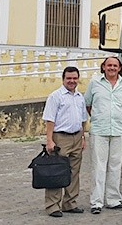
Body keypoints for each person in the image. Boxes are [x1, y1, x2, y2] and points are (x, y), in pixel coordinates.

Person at [84, 56, 122, 214]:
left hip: (119, 130)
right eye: (109, 65)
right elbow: (88, 104)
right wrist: (99, 117)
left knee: (115, 166)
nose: (112, 68)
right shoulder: (95, 83)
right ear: (104, 67)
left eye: (115, 65)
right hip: (99, 130)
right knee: (98, 166)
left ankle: (113, 199)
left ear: (119, 68)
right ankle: (96, 202)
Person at [42, 66, 88, 217]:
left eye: (75, 78)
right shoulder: (55, 96)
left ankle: (70, 203)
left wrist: (82, 138)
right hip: (60, 137)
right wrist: (49, 141)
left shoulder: (80, 97)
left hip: (76, 137)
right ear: (63, 79)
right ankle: (53, 206)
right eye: (69, 78)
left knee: (74, 172)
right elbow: (50, 120)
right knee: (56, 172)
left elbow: (83, 120)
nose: (72, 81)